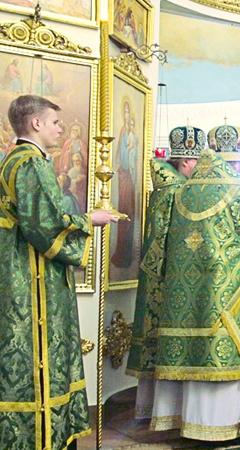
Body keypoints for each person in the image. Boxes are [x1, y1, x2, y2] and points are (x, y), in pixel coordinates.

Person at [150, 124, 240, 441]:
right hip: (231, 298)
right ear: (238, 159)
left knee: (193, 353)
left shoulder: (180, 192)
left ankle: (186, 422)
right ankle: (227, 425)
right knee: (232, 351)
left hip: (186, 303)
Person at [0, 95, 118, 450]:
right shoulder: (32, 163)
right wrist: (90, 219)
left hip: (15, 269)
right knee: (40, 355)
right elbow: (44, 225)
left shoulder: (11, 159)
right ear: (35, 123)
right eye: (54, 122)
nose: (60, 128)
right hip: (33, 277)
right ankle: (41, 439)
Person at [126, 125, 203, 419]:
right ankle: (166, 410)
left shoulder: (166, 189)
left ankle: (154, 408)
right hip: (167, 273)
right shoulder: (176, 192)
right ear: (185, 162)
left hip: (158, 271)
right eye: (197, 162)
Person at [112, 101, 137, 268]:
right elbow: (121, 157)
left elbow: (132, 160)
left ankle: (127, 252)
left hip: (130, 178)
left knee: (129, 214)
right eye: (125, 113)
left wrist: (131, 151)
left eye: (129, 114)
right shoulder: (123, 132)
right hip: (124, 177)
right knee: (123, 214)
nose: (127, 118)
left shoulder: (133, 137)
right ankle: (121, 253)